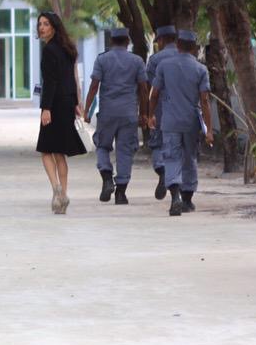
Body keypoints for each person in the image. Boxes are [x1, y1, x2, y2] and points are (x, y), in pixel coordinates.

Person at [148, 31, 214, 216]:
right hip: (191, 122)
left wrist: (150, 115)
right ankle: (187, 200)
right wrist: (209, 129)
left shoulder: (164, 65)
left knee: (171, 157)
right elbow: (205, 100)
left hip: (169, 121)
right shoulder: (201, 69)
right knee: (189, 157)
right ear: (194, 48)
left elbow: (154, 94)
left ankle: (175, 196)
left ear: (177, 45)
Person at [83, 27, 147, 204]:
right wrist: (144, 113)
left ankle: (106, 177)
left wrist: (87, 111)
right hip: (129, 114)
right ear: (128, 41)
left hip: (107, 113)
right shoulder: (137, 61)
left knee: (102, 146)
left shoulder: (102, 59)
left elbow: (94, 86)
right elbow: (143, 89)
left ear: (111, 41)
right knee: (125, 151)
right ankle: (121, 193)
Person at [36, 11, 86, 214]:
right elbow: (71, 79)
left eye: (46, 24)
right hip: (66, 103)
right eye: (40, 24)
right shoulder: (68, 49)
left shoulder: (49, 50)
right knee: (59, 153)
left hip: (55, 104)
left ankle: (56, 188)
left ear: (54, 27)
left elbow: (51, 81)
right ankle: (63, 196)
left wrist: (46, 108)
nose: (41, 27)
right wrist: (75, 103)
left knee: (46, 150)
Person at [146, 25, 178, 200]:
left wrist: (149, 113)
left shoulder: (155, 60)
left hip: (160, 106)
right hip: (182, 108)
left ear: (162, 40)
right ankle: (177, 184)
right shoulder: (187, 58)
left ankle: (162, 169)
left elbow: (151, 87)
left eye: (157, 41)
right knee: (178, 145)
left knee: (157, 142)